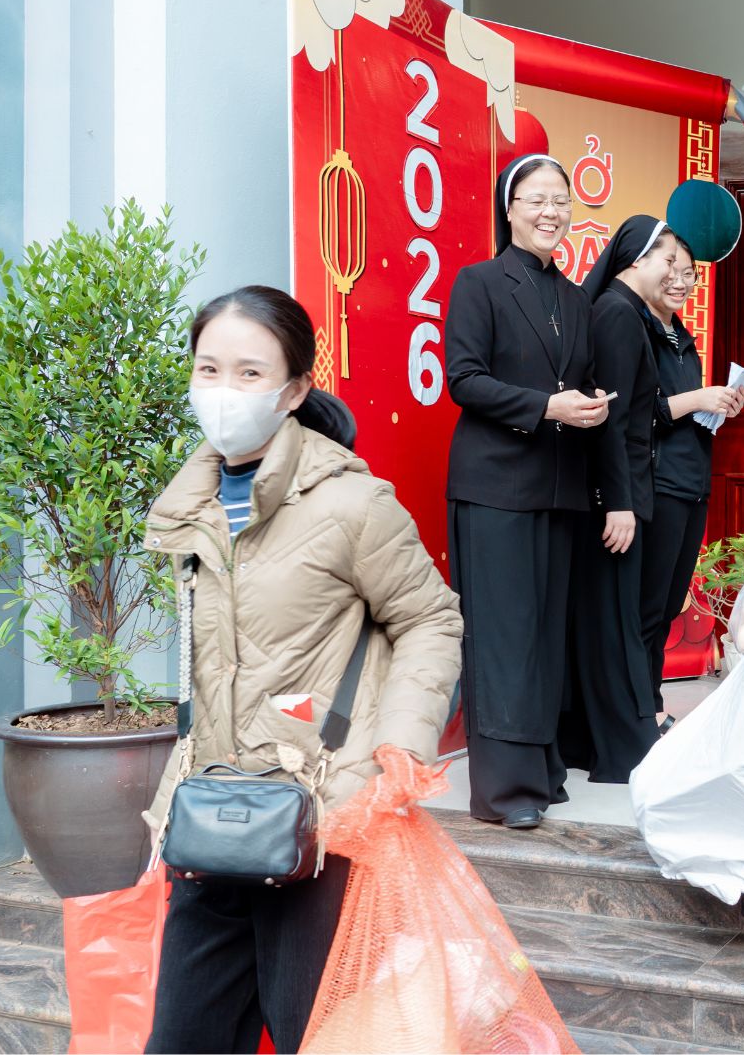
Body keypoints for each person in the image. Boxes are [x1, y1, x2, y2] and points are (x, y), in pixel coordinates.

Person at [141, 285, 462, 1052]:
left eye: (249, 373)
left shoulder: (352, 502)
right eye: (209, 368)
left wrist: (401, 743)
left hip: (321, 816)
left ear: (293, 390)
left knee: (314, 1034)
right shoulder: (190, 506)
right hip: (212, 813)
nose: (224, 390)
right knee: (183, 1038)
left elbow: (429, 617)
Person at [446, 153, 611, 829]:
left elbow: (579, 382)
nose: (551, 212)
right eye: (537, 200)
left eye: (561, 200)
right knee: (504, 634)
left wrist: (590, 406)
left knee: (546, 635)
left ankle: (540, 768)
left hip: (559, 486)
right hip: (495, 485)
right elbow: (464, 379)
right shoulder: (479, 282)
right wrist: (547, 407)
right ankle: (503, 789)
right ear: (509, 210)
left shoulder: (575, 298)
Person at [561, 216, 701, 782]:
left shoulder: (625, 312)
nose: (674, 274)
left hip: (634, 490)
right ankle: (621, 743)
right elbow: (614, 420)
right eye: (667, 261)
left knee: (621, 620)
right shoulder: (618, 314)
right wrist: (619, 501)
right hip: (626, 496)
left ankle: (617, 736)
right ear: (637, 259)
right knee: (620, 623)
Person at [639, 232, 743, 717]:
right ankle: (642, 709)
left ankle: (650, 701)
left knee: (666, 605)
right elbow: (642, 411)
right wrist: (700, 398)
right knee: (648, 606)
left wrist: (717, 404)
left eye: (689, 274)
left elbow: (678, 410)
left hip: (691, 481)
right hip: (659, 483)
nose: (680, 282)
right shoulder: (636, 327)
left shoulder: (681, 335)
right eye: (672, 270)